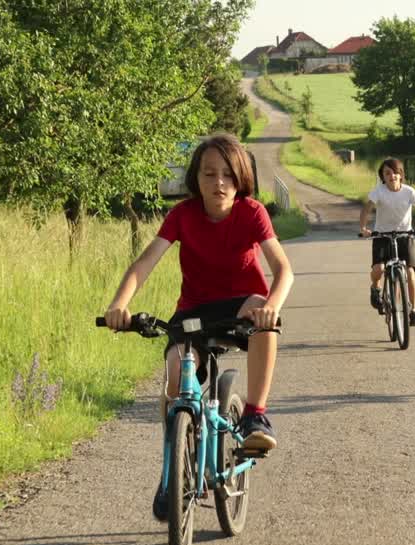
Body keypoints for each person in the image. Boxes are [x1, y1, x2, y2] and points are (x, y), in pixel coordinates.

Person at [104, 133, 293, 463]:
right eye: (209, 173)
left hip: (241, 306)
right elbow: (145, 262)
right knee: (174, 378)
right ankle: (176, 465)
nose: (218, 182)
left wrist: (272, 306)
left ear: (240, 179)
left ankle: (254, 415)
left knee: (264, 312)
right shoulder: (182, 215)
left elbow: (283, 269)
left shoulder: (252, 212)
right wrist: (119, 304)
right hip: (194, 311)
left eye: (227, 174)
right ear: (196, 177)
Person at [360, 157, 415, 327]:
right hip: (382, 236)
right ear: (383, 177)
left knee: (410, 272)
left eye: (395, 172)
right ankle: (375, 288)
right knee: (379, 269)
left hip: (404, 236)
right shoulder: (378, 192)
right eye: (387, 173)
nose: (392, 176)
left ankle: (413, 311)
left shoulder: (408, 192)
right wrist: (364, 227)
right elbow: (366, 210)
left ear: (401, 175)